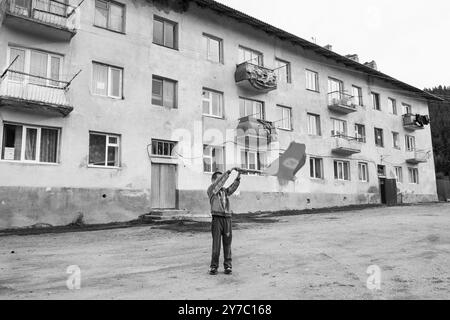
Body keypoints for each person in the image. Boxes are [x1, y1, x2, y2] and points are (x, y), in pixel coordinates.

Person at [207, 168, 242, 275]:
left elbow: (233, 187)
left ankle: (228, 266)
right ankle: (214, 267)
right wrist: (229, 171)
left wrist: (239, 176)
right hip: (217, 219)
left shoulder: (224, 191)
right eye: (219, 179)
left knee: (227, 244)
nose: (222, 181)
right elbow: (221, 181)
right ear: (214, 181)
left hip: (227, 218)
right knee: (216, 244)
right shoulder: (212, 190)